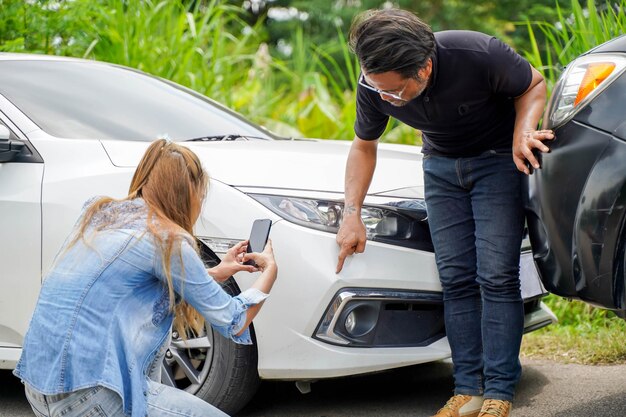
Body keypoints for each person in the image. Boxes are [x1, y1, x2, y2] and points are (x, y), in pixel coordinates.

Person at [335, 8, 554, 417]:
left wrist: (523, 130)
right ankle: (468, 390)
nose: (384, 99)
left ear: (425, 68)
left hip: (496, 163)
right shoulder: (374, 83)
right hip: (439, 168)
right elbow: (364, 145)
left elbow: (533, 84)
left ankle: (499, 393)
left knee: (496, 275)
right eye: (376, 88)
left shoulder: (476, 52)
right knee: (455, 278)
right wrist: (352, 213)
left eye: (394, 93)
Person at [14, 139, 278, 417]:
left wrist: (216, 272)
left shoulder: (98, 212)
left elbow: (137, 289)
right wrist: (269, 274)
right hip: (90, 397)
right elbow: (234, 321)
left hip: (39, 387)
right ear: (188, 194)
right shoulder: (169, 239)